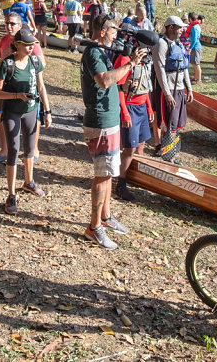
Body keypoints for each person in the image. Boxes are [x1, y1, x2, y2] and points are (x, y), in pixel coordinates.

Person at [80, 14, 146, 249]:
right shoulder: (93, 53)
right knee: (102, 174)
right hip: (100, 122)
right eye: (113, 30)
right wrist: (130, 64)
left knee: (109, 172)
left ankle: (105, 217)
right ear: (102, 31)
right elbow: (104, 81)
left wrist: (126, 81)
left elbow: (113, 81)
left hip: (110, 120)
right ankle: (94, 227)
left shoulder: (102, 52)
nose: (116, 34)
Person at [0, 28, 51, 214]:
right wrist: (17, 95)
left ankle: (29, 182)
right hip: (12, 112)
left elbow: (41, 86)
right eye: (27, 45)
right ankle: (11, 195)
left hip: (31, 111)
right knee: (13, 151)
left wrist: (48, 111)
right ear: (17, 45)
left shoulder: (35, 61)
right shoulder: (7, 64)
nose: (31, 47)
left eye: (32, 44)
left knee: (30, 149)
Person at [0, 14, 45, 163]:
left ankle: (33, 150)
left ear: (19, 25)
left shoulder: (30, 41)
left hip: (27, 86)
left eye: (12, 23)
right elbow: (2, 63)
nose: (8, 26)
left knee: (33, 117)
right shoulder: (3, 40)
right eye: (6, 23)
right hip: (7, 86)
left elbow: (41, 64)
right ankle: (5, 150)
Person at [113, 30, 154, 202]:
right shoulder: (125, 60)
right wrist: (124, 113)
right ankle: (120, 184)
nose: (149, 52)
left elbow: (144, 87)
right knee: (129, 148)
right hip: (129, 107)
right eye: (148, 48)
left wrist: (149, 108)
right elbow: (118, 89)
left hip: (142, 107)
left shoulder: (145, 61)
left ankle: (133, 177)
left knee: (140, 144)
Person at [152, 16, 193, 163]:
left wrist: (189, 88)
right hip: (168, 89)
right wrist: (167, 94)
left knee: (176, 125)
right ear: (170, 28)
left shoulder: (178, 44)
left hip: (179, 89)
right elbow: (160, 70)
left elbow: (184, 68)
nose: (182, 30)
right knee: (169, 125)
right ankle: (168, 158)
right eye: (179, 27)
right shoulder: (161, 44)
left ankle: (171, 155)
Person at [186, 13, 204, 84]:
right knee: (194, 63)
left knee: (196, 64)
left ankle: (199, 79)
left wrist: (190, 47)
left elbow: (195, 39)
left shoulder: (194, 27)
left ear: (190, 19)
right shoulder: (196, 26)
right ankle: (196, 77)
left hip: (196, 47)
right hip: (194, 46)